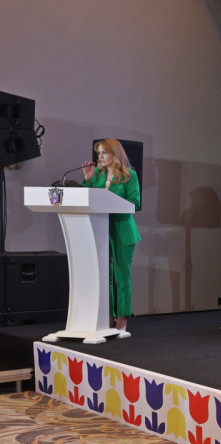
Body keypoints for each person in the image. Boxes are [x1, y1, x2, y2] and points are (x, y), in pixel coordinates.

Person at [81, 139, 141, 336]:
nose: (100, 157)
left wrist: (110, 200)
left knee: (121, 276)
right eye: (98, 153)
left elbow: (134, 202)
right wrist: (88, 180)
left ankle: (122, 318)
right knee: (103, 276)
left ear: (115, 154)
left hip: (122, 229)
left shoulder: (129, 175)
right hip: (101, 229)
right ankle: (108, 316)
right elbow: (87, 200)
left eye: (104, 153)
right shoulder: (97, 175)